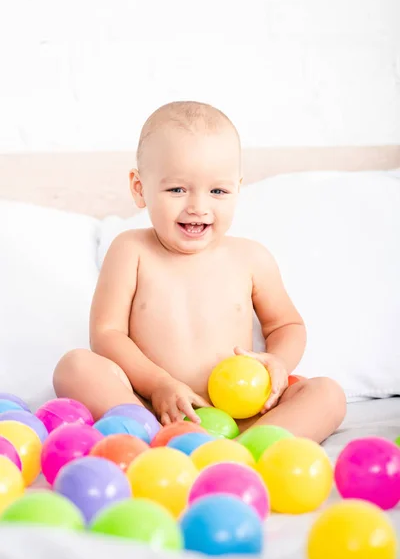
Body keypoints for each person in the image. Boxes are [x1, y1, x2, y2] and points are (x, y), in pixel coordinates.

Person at [53, 101, 346, 442]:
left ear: (237, 189)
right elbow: (106, 333)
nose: (198, 206)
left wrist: (276, 361)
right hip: (154, 409)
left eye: (217, 191)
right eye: (177, 189)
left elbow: (286, 324)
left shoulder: (251, 257)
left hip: (245, 415)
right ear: (139, 188)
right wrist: (157, 384)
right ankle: (151, 442)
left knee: (328, 394)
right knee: (74, 367)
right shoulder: (130, 250)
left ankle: (251, 450)